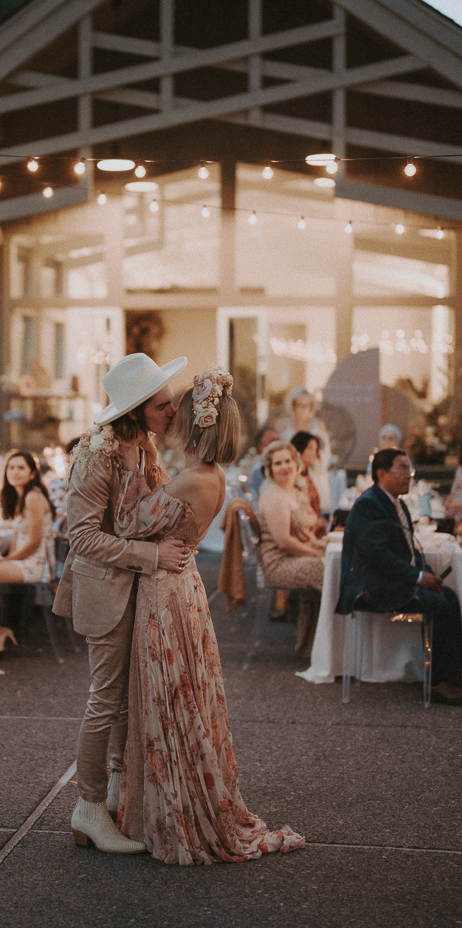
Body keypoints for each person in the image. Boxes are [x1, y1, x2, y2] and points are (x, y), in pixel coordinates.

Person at [111, 366, 305, 864]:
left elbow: (127, 521)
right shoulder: (207, 475)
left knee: (170, 696)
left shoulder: (194, 479)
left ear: (195, 426)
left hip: (167, 594)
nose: (170, 413)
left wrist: (138, 461)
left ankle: (177, 805)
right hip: (184, 588)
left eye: (178, 409)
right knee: (183, 694)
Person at [53, 352, 190, 856]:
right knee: (105, 698)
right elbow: (81, 536)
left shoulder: (144, 447)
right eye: (162, 405)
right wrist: (150, 555)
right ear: (135, 409)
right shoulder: (98, 453)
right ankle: (88, 808)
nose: (171, 412)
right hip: (104, 590)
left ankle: (114, 789)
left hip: (136, 588)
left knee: (128, 696)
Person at [337, 448, 462, 706]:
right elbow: (378, 556)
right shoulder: (369, 504)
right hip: (372, 587)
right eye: (402, 469)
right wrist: (418, 577)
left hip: (390, 580)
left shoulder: (397, 502)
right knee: (438, 604)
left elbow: (406, 548)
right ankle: (436, 682)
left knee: (449, 596)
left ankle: (451, 675)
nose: (409, 475)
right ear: (381, 473)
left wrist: (425, 571)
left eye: (409, 469)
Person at [0, 451, 56, 655]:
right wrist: (4, 559)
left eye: (21, 468)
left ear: (32, 474)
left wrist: (7, 560)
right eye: (11, 467)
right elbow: (17, 537)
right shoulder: (21, 497)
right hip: (25, 560)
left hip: (35, 564)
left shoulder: (33, 497)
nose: (15, 472)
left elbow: (34, 543)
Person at [258, 440, 324, 657]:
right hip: (279, 563)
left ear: (296, 463)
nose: (285, 466)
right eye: (278, 463)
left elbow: (306, 532)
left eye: (288, 461)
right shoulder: (275, 496)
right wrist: (316, 553)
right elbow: (284, 541)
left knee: (333, 563)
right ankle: (325, 648)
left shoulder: (294, 491)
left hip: (294, 556)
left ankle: (314, 647)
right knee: (330, 571)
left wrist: (321, 546)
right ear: (269, 469)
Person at [279, 388, 331, 513]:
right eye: (299, 405)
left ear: (311, 407)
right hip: (292, 475)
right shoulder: (283, 426)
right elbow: (280, 451)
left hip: (316, 474)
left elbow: (326, 452)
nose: (303, 409)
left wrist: (312, 461)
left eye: (306, 405)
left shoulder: (319, 426)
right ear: (293, 406)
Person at [290, 432, 328, 537]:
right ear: (299, 449)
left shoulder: (308, 475)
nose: (314, 454)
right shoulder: (293, 479)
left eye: (315, 450)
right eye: (310, 448)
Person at [245, 426, 279, 501]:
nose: (278, 444)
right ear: (261, 447)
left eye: (278, 440)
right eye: (272, 441)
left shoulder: (276, 464)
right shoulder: (259, 469)